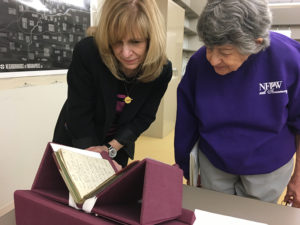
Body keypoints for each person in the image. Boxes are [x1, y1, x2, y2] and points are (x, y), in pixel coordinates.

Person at [174, 0, 300, 207]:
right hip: (213, 162)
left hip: (268, 166)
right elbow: (186, 123)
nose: (213, 60)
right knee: (212, 213)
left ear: (256, 43)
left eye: (224, 53)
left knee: (254, 217)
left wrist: (298, 178)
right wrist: (185, 167)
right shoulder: (198, 64)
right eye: (208, 48)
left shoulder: (290, 59)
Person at [53, 0, 172, 169]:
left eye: (135, 42)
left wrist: (110, 149)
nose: (125, 53)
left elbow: (144, 117)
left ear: (152, 39)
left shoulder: (162, 70)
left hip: (118, 146)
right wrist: (92, 154)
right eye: (116, 41)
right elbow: (79, 110)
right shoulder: (87, 52)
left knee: (111, 193)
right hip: (78, 138)